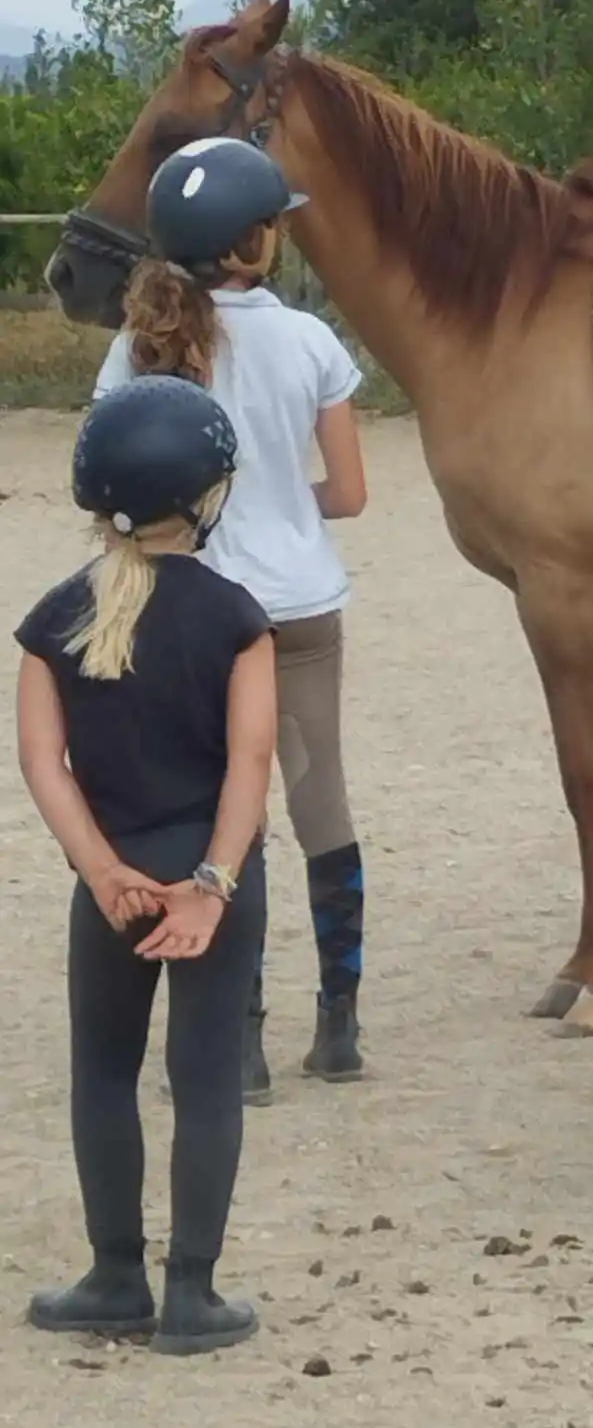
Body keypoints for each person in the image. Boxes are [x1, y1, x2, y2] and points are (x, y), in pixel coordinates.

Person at [95, 135, 369, 1099]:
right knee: (318, 799)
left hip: (188, 612)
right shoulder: (310, 341)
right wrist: (281, 499)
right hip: (297, 607)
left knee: (225, 818)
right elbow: (350, 494)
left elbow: (105, 474)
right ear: (258, 241)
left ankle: (238, 1041)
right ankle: (338, 1023)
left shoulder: (138, 345)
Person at [14, 376, 275, 1353]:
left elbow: (45, 762)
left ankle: (114, 1275)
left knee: (104, 1075)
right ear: (203, 498)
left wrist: (101, 871)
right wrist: (210, 884)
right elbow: (250, 764)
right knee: (204, 1080)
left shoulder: (54, 621)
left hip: (111, 878)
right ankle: (194, 1295)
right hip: (208, 871)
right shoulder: (237, 617)